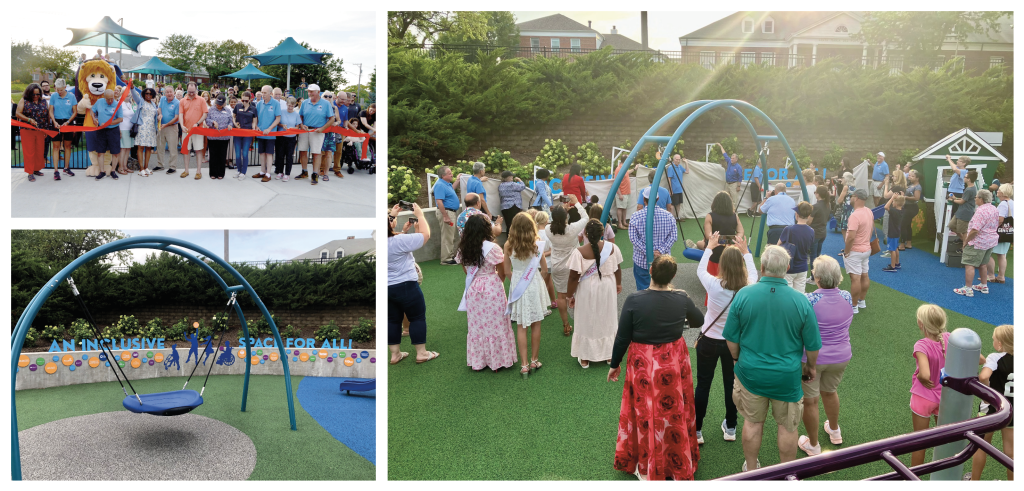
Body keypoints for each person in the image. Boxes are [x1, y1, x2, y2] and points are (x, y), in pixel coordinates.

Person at [724, 245, 822, 472]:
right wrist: (811, 368)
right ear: (787, 268)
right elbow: (813, 345)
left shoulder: (744, 295)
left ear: (762, 266)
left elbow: (731, 338)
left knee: (752, 422)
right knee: (787, 427)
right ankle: (786, 474)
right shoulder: (801, 300)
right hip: (786, 377)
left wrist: (737, 360)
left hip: (750, 373)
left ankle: (750, 469)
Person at [610, 254, 705, 480]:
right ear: (673, 276)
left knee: (645, 411)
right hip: (673, 360)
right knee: (673, 410)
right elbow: (698, 320)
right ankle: (677, 461)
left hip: (643, 362)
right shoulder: (681, 298)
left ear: (650, 271)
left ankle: (646, 464)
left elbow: (622, 337)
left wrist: (615, 364)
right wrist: (679, 322)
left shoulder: (634, 300)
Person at [694, 231, 756, 444]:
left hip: (709, 340)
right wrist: (746, 251)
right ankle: (731, 427)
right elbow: (754, 273)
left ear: (722, 265)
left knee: (703, 385)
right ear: (741, 266)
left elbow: (700, 269)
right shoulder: (748, 286)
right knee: (732, 385)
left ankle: (697, 430)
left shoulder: (713, 284)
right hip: (735, 345)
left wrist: (710, 246)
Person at [796, 256, 854, 456]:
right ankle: (835, 430)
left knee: (810, 401)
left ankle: (813, 444)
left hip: (812, 359)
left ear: (817, 277)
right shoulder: (847, 296)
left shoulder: (808, 299)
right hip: (841, 356)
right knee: (830, 392)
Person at [456, 214, 517, 372]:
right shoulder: (493, 248)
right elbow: (502, 270)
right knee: (497, 323)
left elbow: (466, 269)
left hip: (474, 287)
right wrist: (496, 282)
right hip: (492, 285)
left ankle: (480, 361)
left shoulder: (463, 248)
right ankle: (499, 360)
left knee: (477, 325)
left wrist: (476, 280)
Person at [566, 219, 623, 368]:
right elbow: (617, 268)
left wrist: (569, 296)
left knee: (586, 319)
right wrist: (618, 283)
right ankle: (610, 354)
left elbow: (573, 277)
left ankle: (585, 357)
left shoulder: (578, 252)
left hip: (587, 289)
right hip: (607, 286)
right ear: (602, 233)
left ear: (585, 233)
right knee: (607, 317)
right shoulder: (613, 248)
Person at [388, 203, 439, 364]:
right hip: (406, 285)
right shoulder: (398, 240)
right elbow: (425, 235)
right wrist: (421, 215)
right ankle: (421, 353)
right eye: (390, 218)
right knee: (417, 318)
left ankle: (395, 354)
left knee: (392, 320)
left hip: (387, 288)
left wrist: (395, 220)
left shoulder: (387, 240)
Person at [504, 213, 549, 379]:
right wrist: (537, 281)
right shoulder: (536, 245)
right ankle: (534, 360)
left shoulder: (508, 245)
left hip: (518, 284)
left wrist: (516, 282)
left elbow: (507, 270)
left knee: (521, 325)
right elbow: (544, 270)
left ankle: (523, 365)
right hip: (533, 283)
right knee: (536, 324)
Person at [967, 324, 1014, 481]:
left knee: (981, 445)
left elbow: (983, 376)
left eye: (994, 339)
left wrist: (987, 392)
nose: (992, 341)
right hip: (1013, 410)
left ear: (1000, 344)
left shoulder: (995, 357)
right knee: (1011, 451)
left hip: (992, 409)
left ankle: (974, 482)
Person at [909, 304, 951, 468]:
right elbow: (979, 358)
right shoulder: (949, 337)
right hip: (944, 396)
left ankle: (912, 479)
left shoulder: (922, 345)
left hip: (923, 398)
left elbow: (925, 374)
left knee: (919, 441)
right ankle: (943, 475)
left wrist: (920, 376)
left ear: (921, 323)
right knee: (942, 438)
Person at [543, 196, 589, 335]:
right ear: (566, 217)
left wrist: (563, 212)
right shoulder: (572, 228)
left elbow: (554, 222)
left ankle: (566, 325)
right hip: (574, 264)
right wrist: (577, 203)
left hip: (557, 265)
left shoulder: (547, 229)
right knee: (579, 293)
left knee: (561, 296)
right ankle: (581, 324)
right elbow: (586, 217)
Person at [627, 192, 677, 291]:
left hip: (642, 260)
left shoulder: (636, 216)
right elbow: (673, 236)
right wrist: (660, 251)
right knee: (663, 287)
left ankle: (645, 305)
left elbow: (633, 238)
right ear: (657, 199)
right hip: (663, 261)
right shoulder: (668, 216)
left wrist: (649, 252)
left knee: (643, 289)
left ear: (643, 199)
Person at [954, 189, 999, 297]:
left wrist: (966, 241)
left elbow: (975, 230)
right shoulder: (994, 208)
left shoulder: (980, 211)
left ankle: (968, 289)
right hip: (990, 241)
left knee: (969, 264)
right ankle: (984, 285)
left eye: (976, 197)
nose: (975, 199)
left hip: (978, 242)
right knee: (983, 264)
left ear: (981, 199)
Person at [694, 192, 744, 280]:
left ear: (715, 203)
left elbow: (709, 237)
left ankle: (699, 246)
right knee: (703, 243)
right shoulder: (735, 216)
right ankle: (701, 245)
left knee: (700, 243)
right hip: (730, 250)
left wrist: (721, 240)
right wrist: (732, 240)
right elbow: (740, 232)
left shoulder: (710, 216)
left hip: (715, 252)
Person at [15, 84, 54, 182]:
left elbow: (47, 115)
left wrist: (46, 129)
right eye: (33, 94)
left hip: (40, 130)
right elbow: (18, 113)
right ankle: (30, 172)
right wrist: (28, 119)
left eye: (38, 94)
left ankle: (36, 169)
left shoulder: (44, 101)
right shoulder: (24, 100)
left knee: (39, 151)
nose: (36, 96)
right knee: (29, 152)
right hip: (27, 131)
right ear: (29, 93)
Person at [295, 84, 333, 184]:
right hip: (305, 130)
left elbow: (332, 118)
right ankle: (304, 172)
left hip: (318, 131)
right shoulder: (305, 103)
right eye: (308, 91)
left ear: (318, 92)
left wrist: (323, 128)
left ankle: (315, 174)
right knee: (302, 151)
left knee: (316, 153)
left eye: (311, 91)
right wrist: (302, 125)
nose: (309, 93)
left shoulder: (326, 103)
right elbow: (300, 116)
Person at [84, 88, 123, 181]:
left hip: (113, 130)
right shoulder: (99, 102)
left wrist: (108, 123)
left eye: (112, 98)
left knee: (115, 152)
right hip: (101, 130)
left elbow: (120, 119)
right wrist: (93, 118)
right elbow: (92, 110)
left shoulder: (117, 104)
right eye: (108, 99)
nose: (110, 101)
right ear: (104, 97)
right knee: (100, 152)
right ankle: (102, 172)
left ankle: (113, 171)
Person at [844, 189, 873, 314]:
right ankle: (862, 301)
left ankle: (854, 306)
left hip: (855, 251)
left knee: (855, 278)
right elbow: (871, 230)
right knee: (864, 275)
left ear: (856, 198)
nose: (850, 198)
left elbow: (851, 237)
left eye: (851, 196)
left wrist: (846, 251)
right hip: (866, 249)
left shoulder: (855, 215)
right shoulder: (868, 211)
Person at [778, 202, 815, 291]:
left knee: (787, 295)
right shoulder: (811, 231)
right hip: (802, 267)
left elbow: (778, 245)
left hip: (789, 267)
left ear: (796, 214)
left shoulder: (788, 229)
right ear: (809, 215)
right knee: (799, 295)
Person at [47, 79, 77, 179]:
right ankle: (56, 171)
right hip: (56, 123)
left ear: (65, 87)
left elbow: (75, 112)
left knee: (67, 146)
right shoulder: (54, 96)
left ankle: (66, 168)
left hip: (68, 122)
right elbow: (51, 111)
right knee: (56, 147)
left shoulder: (71, 96)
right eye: (57, 89)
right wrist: (54, 121)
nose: (58, 92)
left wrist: (68, 122)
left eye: (60, 90)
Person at [432, 165, 462, 265]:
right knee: (447, 236)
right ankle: (446, 259)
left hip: (450, 212)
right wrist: (445, 216)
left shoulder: (446, 184)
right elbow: (439, 201)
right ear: (443, 175)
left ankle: (450, 255)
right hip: (447, 212)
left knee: (450, 235)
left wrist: (457, 180)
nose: (452, 174)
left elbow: (452, 190)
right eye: (449, 173)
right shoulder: (440, 185)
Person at [179, 82, 208, 179]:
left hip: (198, 129)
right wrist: (182, 125)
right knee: (186, 150)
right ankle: (186, 170)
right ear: (186, 90)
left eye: (193, 91)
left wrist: (198, 122)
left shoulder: (201, 100)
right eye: (189, 91)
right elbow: (181, 114)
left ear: (196, 90)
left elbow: (205, 114)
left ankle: (198, 171)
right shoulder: (182, 101)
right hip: (186, 130)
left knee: (198, 150)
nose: (191, 93)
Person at [252, 85, 281, 183]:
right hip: (260, 133)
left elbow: (278, 118)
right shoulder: (259, 104)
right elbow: (256, 117)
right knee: (261, 153)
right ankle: (262, 171)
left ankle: (268, 173)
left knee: (269, 153)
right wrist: (256, 126)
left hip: (271, 134)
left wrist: (269, 129)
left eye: (265, 93)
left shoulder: (276, 103)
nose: (262, 94)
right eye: (262, 92)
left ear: (270, 93)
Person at [987, 183, 1013, 283]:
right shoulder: (1013, 203)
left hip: (999, 233)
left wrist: (991, 230)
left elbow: (1000, 219)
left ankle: (991, 275)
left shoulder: (1003, 204)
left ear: (1003, 192)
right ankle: (1001, 276)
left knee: (987, 253)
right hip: (1008, 233)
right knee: (1002, 255)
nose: (997, 191)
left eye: (999, 190)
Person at [205, 94, 234, 180]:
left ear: (224, 103)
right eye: (217, 103)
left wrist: (229, 125)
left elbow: (231, 121)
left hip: (224, 137)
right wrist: (213, 122)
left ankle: (221, 173)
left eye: (220, 104)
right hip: (213, 137)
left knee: (222, 155)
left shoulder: (228, 110)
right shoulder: (211, 110)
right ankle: (213, 173)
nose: (218, 105)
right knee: (213, 155)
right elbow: (207, 120)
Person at [948, 170, 979, 252]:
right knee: (951, 226)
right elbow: (964, 199)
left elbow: (962, 202)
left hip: (965, 213)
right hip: (960, 212)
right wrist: (955, 198)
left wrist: (952, 200)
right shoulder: (970, 188)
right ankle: (963, 240)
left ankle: (964, 248)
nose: (963, 178)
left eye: (965, 177)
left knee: (964, 231)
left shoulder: (969, 189)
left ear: (968, 179)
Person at [132, 87, 160, 176]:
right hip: (142, 127)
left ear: (153, 95)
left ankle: (146, 167)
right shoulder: (141, 101)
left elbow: (155, 116)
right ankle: (141, 169)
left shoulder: (153, 103)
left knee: (148, 147)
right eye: (146, 93)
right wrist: (132, 87)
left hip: (151, 128)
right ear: (144, 94)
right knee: (140, 147)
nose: (148, 95)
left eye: (150, 94)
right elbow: (134, 95)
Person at [152, 87, 180, 174]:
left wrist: (166, 125)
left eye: (170, 92)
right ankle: (160, 165)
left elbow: (176, 118)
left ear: (173, 92)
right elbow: (159, 108)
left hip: (172, 127)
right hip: (161, 126)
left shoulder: (177, 103)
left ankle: (172, 166)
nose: (169, 94)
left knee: (172, 148)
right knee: (160, 146)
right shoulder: (163, 99)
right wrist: (160, 114)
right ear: (164, 93)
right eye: (167, 92)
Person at [760, 182, 797, 246]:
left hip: (775, 230)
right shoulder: (792, 200)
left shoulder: (771, 199)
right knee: (787, 251)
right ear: (785, 190)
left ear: (775, 190)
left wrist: (766, 198)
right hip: (789, 230)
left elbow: (760, 210)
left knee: (773, 252)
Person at [880, 168, 907, 251]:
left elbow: (886, 196)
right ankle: (891, 249)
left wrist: (886, 185)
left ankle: (890, 250)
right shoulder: (902, 187)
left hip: (890, 210)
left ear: (898, 177)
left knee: (887, 229)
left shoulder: (897, 188)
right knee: (892, 229)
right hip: (895, 211)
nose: (893, 177)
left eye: (894, 176)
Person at [231, 91, 257, 179]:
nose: (244, 102)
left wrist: (254, 129)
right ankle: (238, 170)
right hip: (238, 132)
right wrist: (235, 124)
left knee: (245, 153)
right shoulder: (238, 106)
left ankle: (243, 172)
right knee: (238, 154)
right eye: (243, 100)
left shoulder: (253, 109)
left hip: (248, 133)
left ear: (250, 100)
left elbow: (254, 122)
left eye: (246, 100)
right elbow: (233, 117)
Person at [274, 96, 300, 180]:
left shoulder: (296, 114)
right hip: (281, 137)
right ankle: (280, 172)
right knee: (280, 155)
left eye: (292, 106)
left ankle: (287, 173)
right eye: (289, 105)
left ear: (294, 105)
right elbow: (277, 123)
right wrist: (282, 125)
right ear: (286, 104)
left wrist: (292, 129)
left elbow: (298, 126)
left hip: (291, 138)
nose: (290, 107)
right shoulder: (282, 112)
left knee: (289, 156)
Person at [808, 187, 831, 278]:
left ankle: (814, 277)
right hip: (822, 233)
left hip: (815, 233)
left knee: (813, 256)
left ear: (818, 194)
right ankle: (818, 275)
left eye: (815, 192)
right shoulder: (827, 205)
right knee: (817, 255)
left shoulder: (816, 206)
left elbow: (809, 221)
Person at [882, 194, 905, 273]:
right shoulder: (902, 210)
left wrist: (892, 198)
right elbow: (901, 203)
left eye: (893, 202)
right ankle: (897, 263)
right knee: (895, 248)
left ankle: (892, 266)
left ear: (897, 203)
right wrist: (901, 197)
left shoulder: (894, 211)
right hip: (897, 232)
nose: (892, 203)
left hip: (892, 233)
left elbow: (885, 207)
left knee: (892, 250)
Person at [900, 170, 923, 251]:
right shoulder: (910, 185)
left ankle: (902, 244)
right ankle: (909, 243)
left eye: (912, 176)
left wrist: (905, 197)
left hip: (911, 208)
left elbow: (916, 198)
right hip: (907, 206)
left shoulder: (918, 187)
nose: (910, 177)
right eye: (910, 176)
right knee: (907, 225)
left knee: (903, 225)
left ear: (917, 178)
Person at [613, 161, 636, 230]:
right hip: (622, 192)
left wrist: (634, 169)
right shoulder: (618, 169)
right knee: (620, 207)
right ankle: (620, 223)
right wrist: (619, 193)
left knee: (624, 207)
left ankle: (624, 222)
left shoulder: (624, 168)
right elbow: (616, 181)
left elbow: (627, 173)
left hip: (626, 192)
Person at [666, 153, 689, 221]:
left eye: (679, 159)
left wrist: (686, 163)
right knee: (673, 205)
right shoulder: (671, 167)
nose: (678, 161)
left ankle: (677, 218)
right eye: (677, 159)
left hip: (680, 190)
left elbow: (687, 171)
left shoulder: (680, 166)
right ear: (673, 159)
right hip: (674, 190)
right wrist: (670, 190)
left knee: (678, 204)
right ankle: (672, 219)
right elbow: (669, 179)